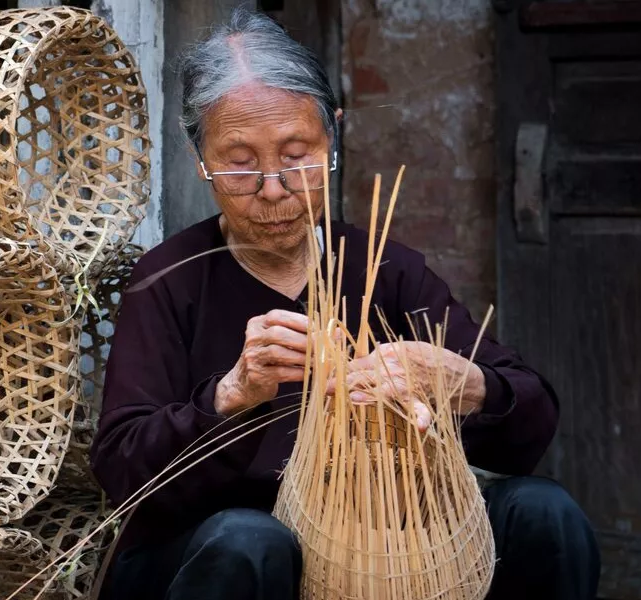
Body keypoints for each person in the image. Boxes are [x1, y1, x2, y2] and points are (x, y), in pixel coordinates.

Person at [89, 7, 600, 600]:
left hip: (378, 545)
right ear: (198, 155)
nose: (273, 189)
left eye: (296, 154)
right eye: (241, 163)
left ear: (331, 134)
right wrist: (229, 396)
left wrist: (466, 384)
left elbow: (532, 421)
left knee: (541, 511)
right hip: (223, 552)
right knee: (250, 540)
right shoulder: (169, 279)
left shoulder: (386, 268)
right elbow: (121, 471)